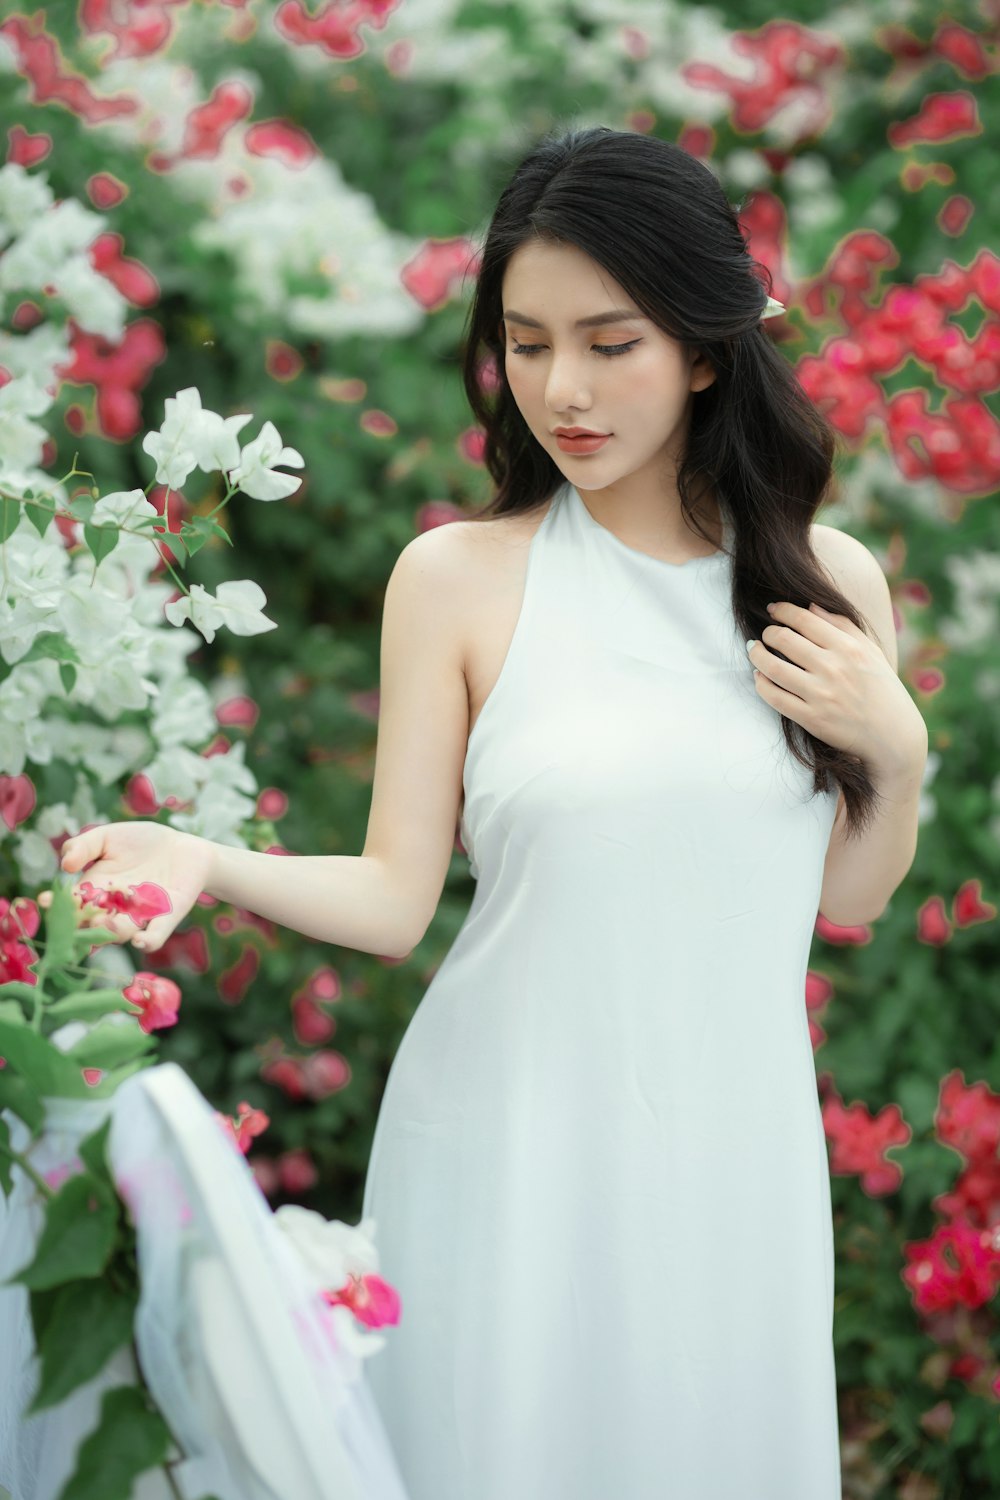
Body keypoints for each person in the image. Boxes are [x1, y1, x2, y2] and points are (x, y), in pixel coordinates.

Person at [45, 126, 928, 1499]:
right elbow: (399, 900)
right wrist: (207, 860)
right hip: (505, 1146)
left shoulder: (826, 586)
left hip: (731, 1157)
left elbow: (848, 900)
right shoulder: (458, 580)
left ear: (704, 347)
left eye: (608, 341)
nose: (562, 389)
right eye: (527, 343)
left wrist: (900, 749)